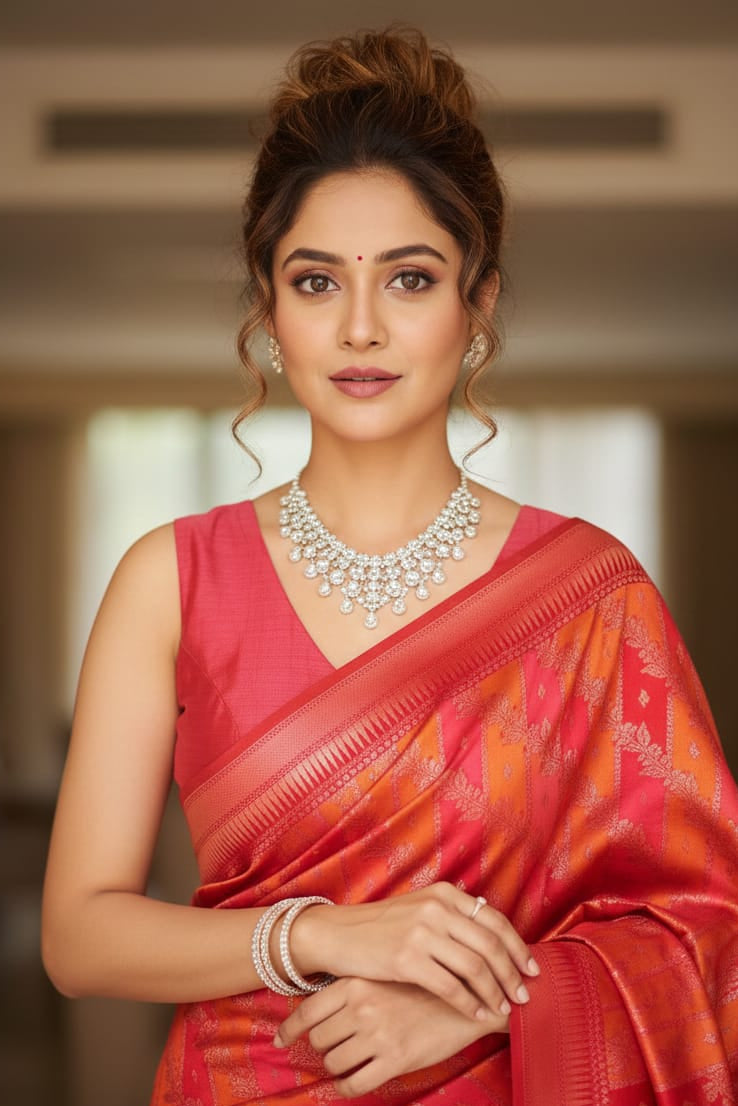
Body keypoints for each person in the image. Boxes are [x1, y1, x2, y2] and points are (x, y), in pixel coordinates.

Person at [42, 26, 738, 1106]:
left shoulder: (590, 594)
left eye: (409, 279)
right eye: (316, 282)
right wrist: (319, 933)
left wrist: (496, 1000)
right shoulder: (170, 578)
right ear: (269, 312)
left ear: (479, 305)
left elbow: (707, 929)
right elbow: (79, 936)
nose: (360, 327)